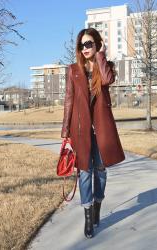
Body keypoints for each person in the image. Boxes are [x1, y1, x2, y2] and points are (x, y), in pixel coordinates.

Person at [61, 28, 125, 238]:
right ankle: (88, 216)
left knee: (101, 171)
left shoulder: (104, 66)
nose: (85, 48)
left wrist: (101, 55)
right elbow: (69, 100)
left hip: (102, 129)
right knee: (85, 172)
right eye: (82, 45)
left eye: (89, 44)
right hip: (81, 131)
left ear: (97, 44)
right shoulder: (72, 70)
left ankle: (98, 204)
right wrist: (65, 132)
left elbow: (107, 80)